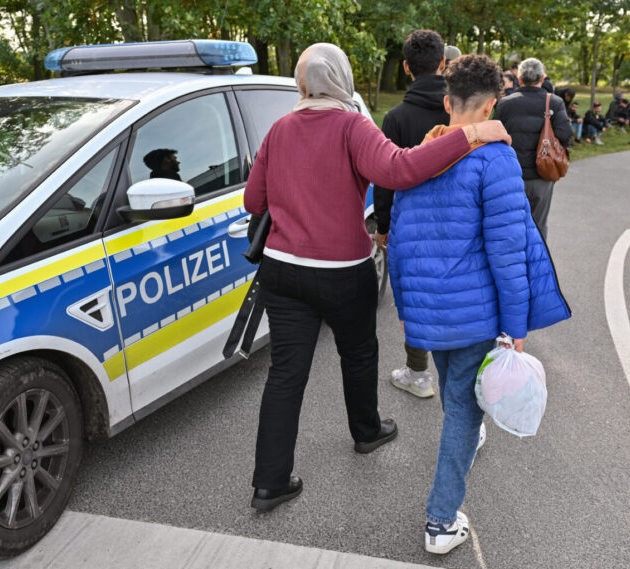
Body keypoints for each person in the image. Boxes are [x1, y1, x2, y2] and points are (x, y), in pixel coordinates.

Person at [243, 42, 512, 512]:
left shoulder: (279, 128)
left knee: (286, 374)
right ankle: (366, 432)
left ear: (302, 81)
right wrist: (470, 136)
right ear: (342, 78)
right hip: (342, 271)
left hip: (282, 270)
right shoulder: (351, 125)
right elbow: (398, 169)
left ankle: (270, 481)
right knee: (359, 353)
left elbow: (253, 201)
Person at [388, 54, 571, 556]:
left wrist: (407, 308)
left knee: (458, 401)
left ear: (447, 104)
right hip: (475, 312)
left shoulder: (419, 155)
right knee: (464, 415)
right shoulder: (494, 159)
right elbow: (508, 250)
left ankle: (461, 453)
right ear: (494, 104)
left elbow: (399, 241)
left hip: (430, 309)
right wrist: (516, 325)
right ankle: (441, 520)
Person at [373, 29, 449, 399]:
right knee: (457, 294)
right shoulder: (462, 111)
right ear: (443, 63)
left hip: (412, 225)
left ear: (405, 68)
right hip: (459, 224)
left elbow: (385, 179)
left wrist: (383, 227)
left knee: (416, 296)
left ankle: (419, 373)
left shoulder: (396, 118)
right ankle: (458, 377)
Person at [495, 57, 571, 240]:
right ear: (542, 79)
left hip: (512, 175)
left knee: (511, 223)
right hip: (542, 175)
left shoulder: (505, 103)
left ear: (519, 79)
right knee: (538, 224)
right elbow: (565, 133)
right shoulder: (554, 102)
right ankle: (538, 264)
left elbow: (494, 136)